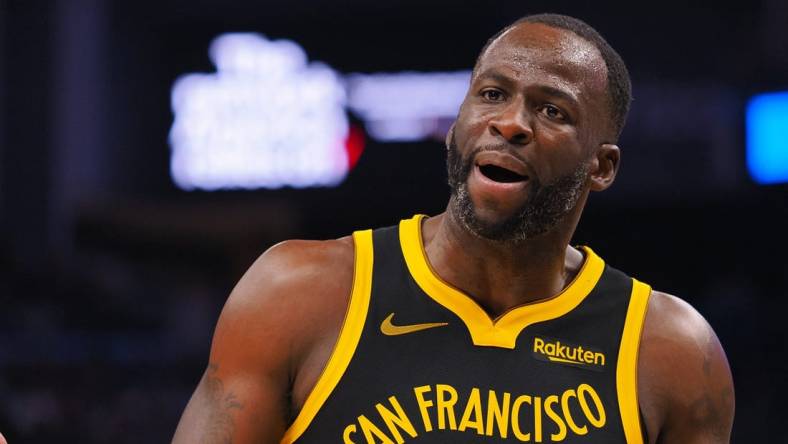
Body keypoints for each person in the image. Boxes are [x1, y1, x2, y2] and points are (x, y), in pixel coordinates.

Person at [172, 13, 734, 443]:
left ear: (601, 167)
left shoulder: (670, 352)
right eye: (492, 95)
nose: (510, 123)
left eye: (552, 111)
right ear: (454, 128)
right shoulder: (297, 292)